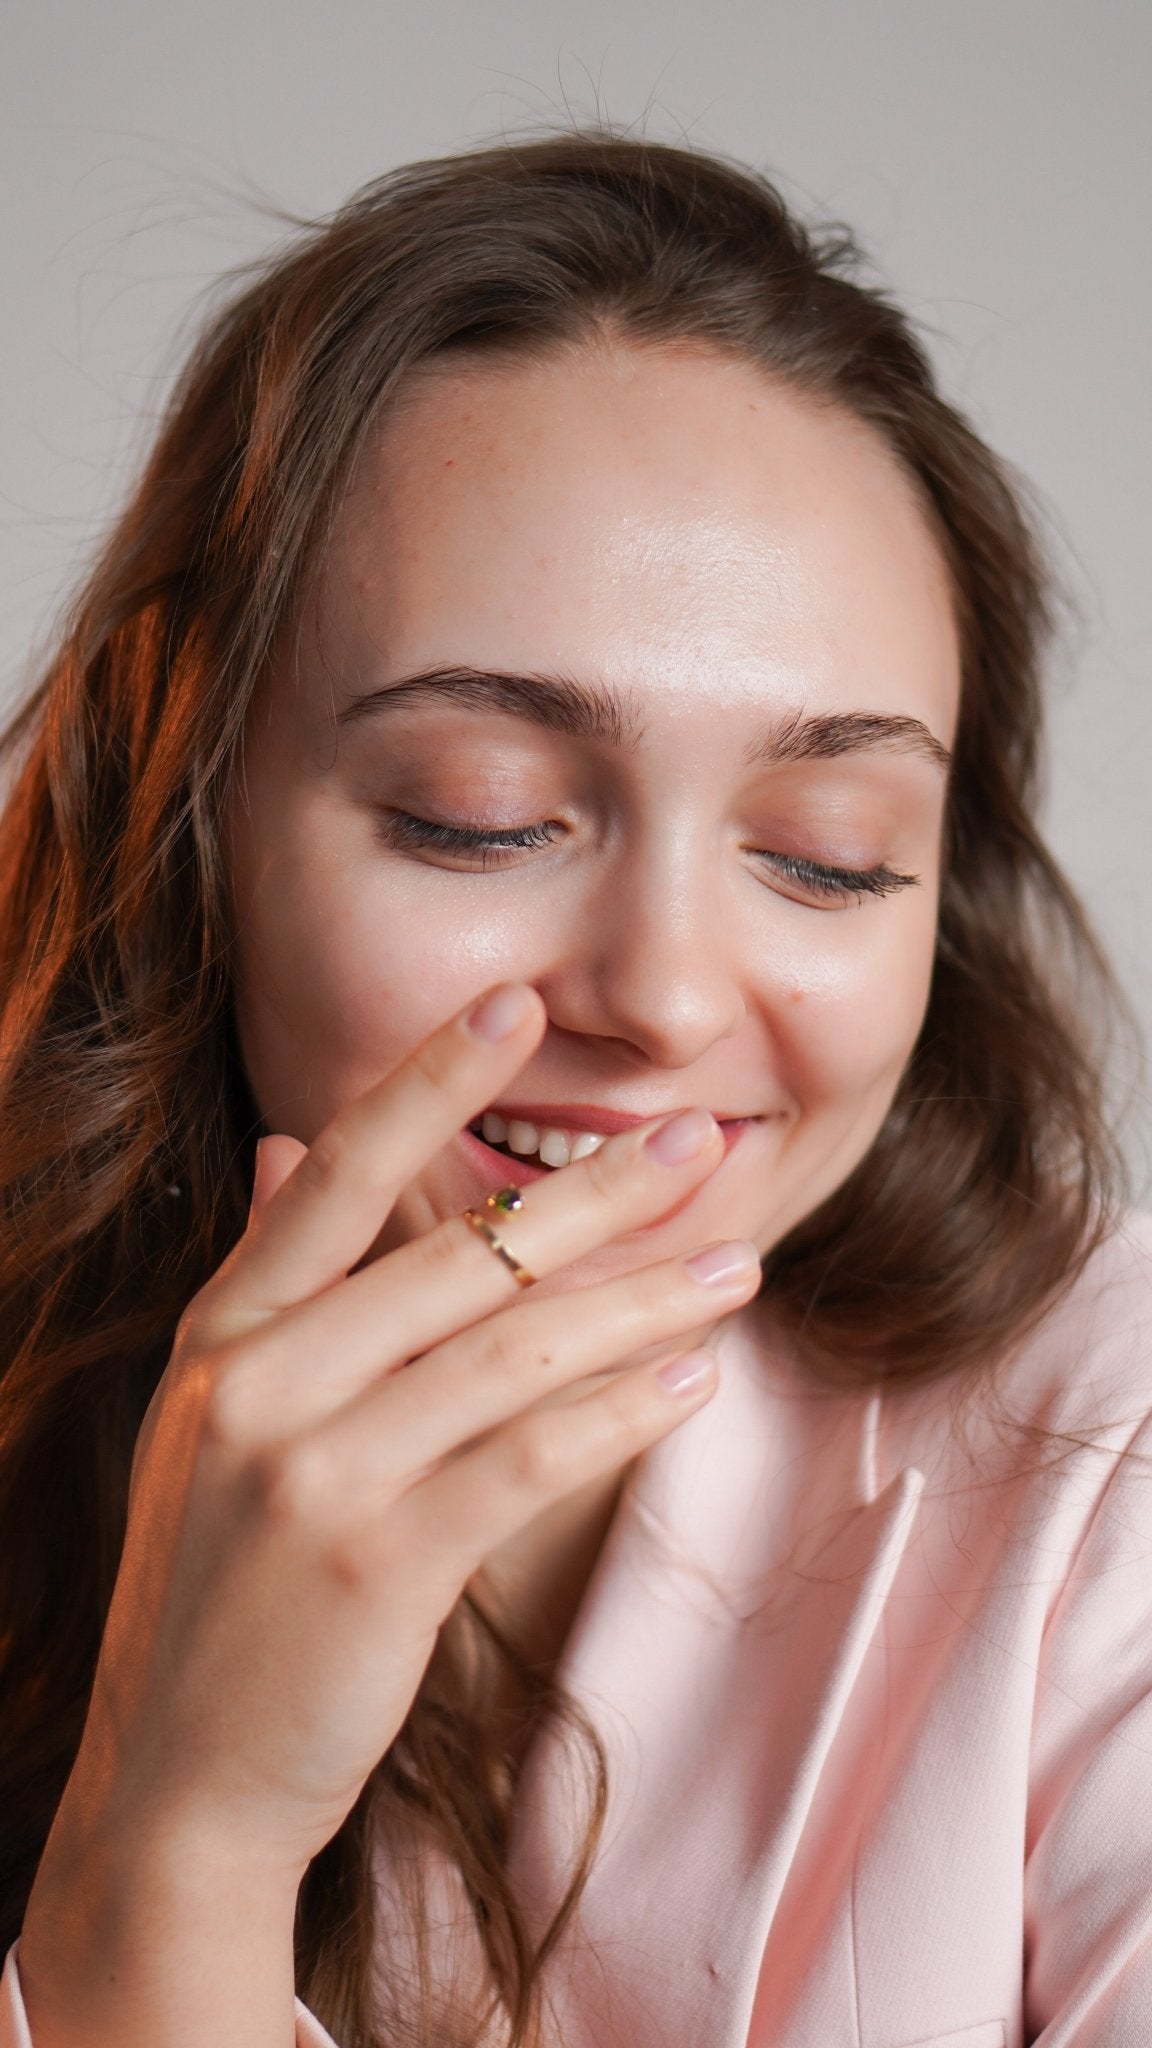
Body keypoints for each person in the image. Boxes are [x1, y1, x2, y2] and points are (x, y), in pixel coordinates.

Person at [0, 127, 1147, 2048]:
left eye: (829, 854)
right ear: (193, 828)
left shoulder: (1117, 1465)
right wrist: (180, 1842)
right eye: (485, 818)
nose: (665, 995)